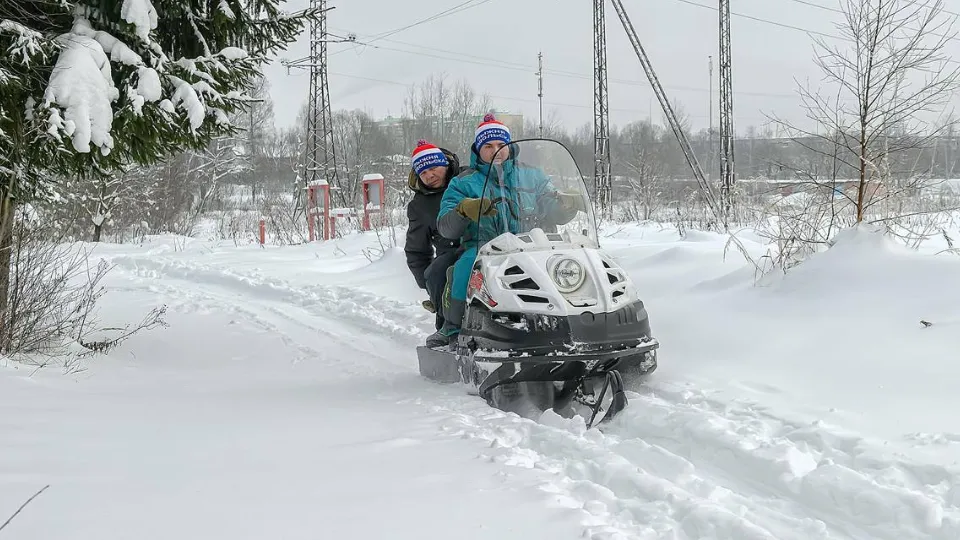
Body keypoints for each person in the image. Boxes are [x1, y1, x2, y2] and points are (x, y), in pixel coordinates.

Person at [435, 114, 583, 342]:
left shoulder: (533, 176)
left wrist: (567, 205)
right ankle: (453, 327)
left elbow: (550, 204)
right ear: (477, 149)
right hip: (484, 247)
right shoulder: (462, 183)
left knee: (567, 267)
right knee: (467, 268)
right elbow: (445, 227)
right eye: (489, 146)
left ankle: (579, 318)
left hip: (531, 245)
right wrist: (463, 210)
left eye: (501, 145)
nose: (496, 151)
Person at [404, 139, 464, 347]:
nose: (430, 175)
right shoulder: (419, 206)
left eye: (433, 168)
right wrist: (427, 282)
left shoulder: (468, 178)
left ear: (445, 164)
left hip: (486, 240)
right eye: (423, 172)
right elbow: (416, 249)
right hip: (451, 252)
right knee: (439, 273)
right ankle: (447, 326)